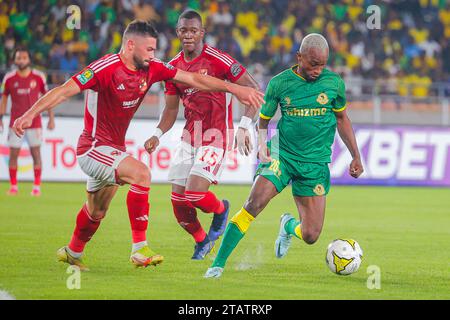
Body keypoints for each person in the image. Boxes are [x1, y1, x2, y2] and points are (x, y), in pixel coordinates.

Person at [12, 20, 264, 271]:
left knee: (96, 210)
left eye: (155, 49)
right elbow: (64, 91)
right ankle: (139, 249)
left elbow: (195, 79)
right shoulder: (105, 68)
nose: (153, 55)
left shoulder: (153, 68)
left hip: (114, 150)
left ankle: (73, 251)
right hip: (93, 148)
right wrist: (28, 115)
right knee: (142, 174)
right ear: (130, 45)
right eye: (149, 49)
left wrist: (235, 89)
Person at [204, 33, 364, 278]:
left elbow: (342, 118)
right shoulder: (280, 83)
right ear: (299, 57)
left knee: (311, 235)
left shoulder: (334, 84)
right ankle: (217, 264)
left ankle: (288, 225)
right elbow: (264, 119)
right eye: (313, 64)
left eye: (322, 64)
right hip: (282, 155)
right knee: (253, 204)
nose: (317, 70)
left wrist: (356, 155)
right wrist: (261, 145)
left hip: (315, 163)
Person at [145, 10, 260, 260]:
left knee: (194, 194)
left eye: (193, 31)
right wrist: (157, 133)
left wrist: (244, 126)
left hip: (216, 134)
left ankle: (221, 210)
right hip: (189, 136)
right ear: (177, 32)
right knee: (178, 203)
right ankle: (202, 241)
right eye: (183, 30)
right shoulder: (172, 67)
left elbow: (253, 90)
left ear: (202, 33)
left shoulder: (218, 60)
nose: (188, 35)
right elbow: (171, 109)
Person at [0, 48, 55, 196]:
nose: (21, 60)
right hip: (15, 123)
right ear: (14, 60)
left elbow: (48, 97)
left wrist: (51, 118)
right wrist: (0, 117)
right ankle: (13, 186)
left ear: (29, 60)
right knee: (13, 155)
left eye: (24, 58)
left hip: (34, 123)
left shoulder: (38, 77)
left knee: (36, 153)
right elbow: (4, 98)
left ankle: (36, 187)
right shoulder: (9, 78)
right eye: (18, 58)